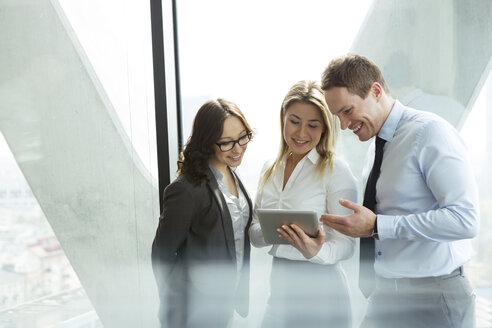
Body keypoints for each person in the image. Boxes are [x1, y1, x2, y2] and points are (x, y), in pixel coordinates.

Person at [320, 53, 479, 328]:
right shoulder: (376, 146)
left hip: (434, 300)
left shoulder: (430, 133)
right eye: (338, 116)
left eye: (347, 111)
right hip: (385, 296)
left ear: (376, 91)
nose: (344, 125)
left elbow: (465, 219)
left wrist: (379, 226)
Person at [249, 80, 358, 328]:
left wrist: (316, 251)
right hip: (279, 286)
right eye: (295, 121)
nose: (301, 133)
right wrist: (275, 231)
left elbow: (348, 244)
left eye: (312, 125)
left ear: (324, 129)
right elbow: (254, 234)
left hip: (322, 290)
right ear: (283, 119)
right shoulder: (270, 168)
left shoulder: (336, 170)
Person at [151, 99, 254, 328]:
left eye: (243, 137)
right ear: (208, 142)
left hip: (226, 304)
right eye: (226, 143)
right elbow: (162, 254)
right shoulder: (186, 189)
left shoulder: (234, 175)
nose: (238, 149)